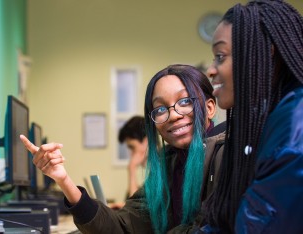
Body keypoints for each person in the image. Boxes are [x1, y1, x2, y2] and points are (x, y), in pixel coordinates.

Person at [20, 64, 225, 233]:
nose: (173, 115)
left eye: (184, 101)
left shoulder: (226, 157)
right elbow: (121, 227)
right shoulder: (170, 163)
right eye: (160, 109)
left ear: (209, 107)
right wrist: (63, 179)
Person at [203, 0, 303, 233]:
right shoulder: (270, 122)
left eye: (220, 55)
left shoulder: (294, 126)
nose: (210, 70)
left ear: (266, 54)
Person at [118, 116, 148, 198]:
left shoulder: (162, 169)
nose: (131, 154)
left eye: (132, 147)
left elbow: (134, 208)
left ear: (146, 141)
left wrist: (132, 168)